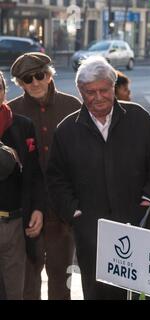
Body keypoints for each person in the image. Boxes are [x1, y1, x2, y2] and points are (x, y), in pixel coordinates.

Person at [46, 56, 150, 299]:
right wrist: (73, 212)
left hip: (136, 222)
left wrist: (149, 198)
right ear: (80, 92)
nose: (98, 97)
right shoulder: (67, 129)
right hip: (91, 231)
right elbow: (56, 179)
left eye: (104, 90)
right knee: (98, 292)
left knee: (138, 292)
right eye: (90, 92)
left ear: (113, 87)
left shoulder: (138, 118)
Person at [9, 52, 81, 300]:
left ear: (50, 75)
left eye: (40, 75)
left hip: (63, 211)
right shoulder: (11, 113)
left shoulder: (73, 107)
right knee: (28, 281)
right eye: (27, 79)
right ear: (20, 83)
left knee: (62, 281)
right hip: (27, 212)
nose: (35, 82)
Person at [0, 70, 45, 300]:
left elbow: (34, 173)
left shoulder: (22, 126)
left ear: (4, 92)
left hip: (16, 223)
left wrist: (38, 208)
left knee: (14, 291)